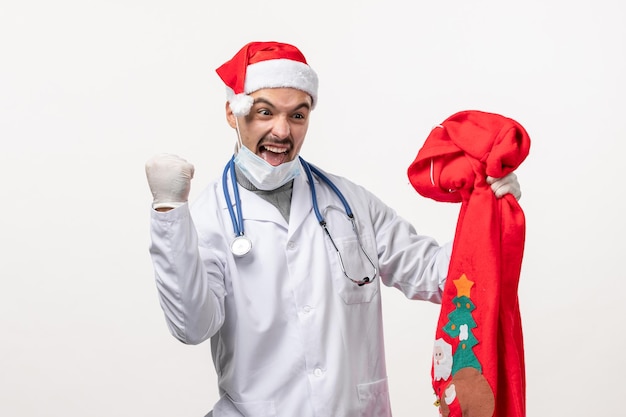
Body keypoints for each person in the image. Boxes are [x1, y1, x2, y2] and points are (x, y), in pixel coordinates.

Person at [145, 41, 521, 417]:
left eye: (297, 116)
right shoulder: (210, 217)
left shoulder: (350, 203)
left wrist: (488, 211)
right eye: (264, 112)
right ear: (233, 112)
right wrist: (169, 210)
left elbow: (440, 277)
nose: (281, 131)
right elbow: (192, 326)